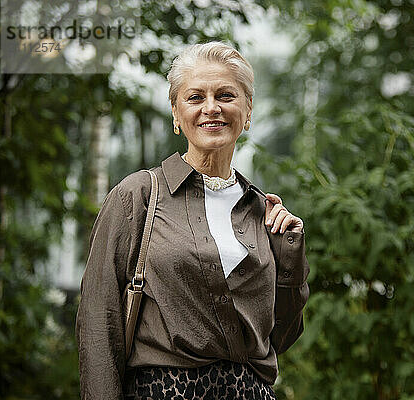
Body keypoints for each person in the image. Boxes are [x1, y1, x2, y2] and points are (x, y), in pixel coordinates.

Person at [75, 41, 310, 400]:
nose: (211, 108)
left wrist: (290, 254)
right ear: (176, 113)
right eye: (195, 97)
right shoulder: (137, 196)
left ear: (247, 111)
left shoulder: (262, 212)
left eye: (226, 95)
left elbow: (280, 337)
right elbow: (98, 323)